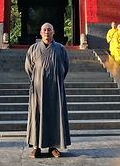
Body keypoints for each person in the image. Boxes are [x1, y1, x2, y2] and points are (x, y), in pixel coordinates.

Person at [25, 23, 70, 158]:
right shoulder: (33, 49)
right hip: (38, 90)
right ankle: (36, 146)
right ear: (40, 32)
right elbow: (28, 69)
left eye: (49, 30)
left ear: (53, 32)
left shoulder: (61, 49)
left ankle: (53, 146)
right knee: (37, 115)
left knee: (55, 116)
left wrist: (55, 79)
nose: (46, 32)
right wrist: (38, 79)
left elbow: (65, 68)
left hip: (55, 89)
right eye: (44, 30)